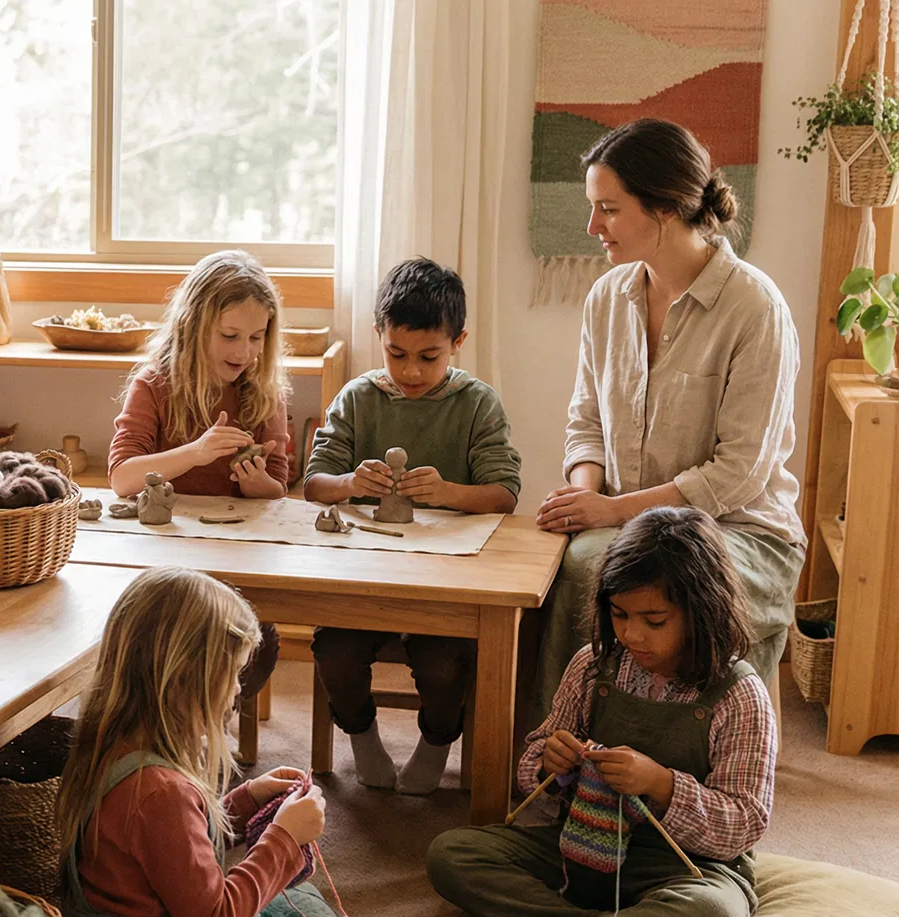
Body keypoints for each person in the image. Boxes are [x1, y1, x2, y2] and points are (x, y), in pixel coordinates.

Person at [55, 566, 422, 917]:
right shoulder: (158, 791)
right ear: (187, 680)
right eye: (232, 675)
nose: (235, 691)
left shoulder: (119, 748)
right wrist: (282, 839)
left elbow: (168, 854)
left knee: (293, 893)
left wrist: (246, 800)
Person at [425, 506, 772, 917]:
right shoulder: (592, 666)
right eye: (619, 614)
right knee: (450, 855)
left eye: (654, 620)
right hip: (581, 851)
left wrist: (660, 783)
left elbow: (744, 824)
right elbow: (532, 766)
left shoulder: (739, 695)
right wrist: (550, 762)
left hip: (685, 870)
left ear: (702, 610)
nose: (632, 635)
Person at [532, 118, 803, 722]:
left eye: (609, 209)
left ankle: (690, 763)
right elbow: (585, 423)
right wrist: (583, 502)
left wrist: (609, 513)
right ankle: (553, 752)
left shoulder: (755, 308)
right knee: (553, 566)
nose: (592, 227)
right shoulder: (607, 298)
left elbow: (738, 473)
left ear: (666, 208)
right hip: (628, 521)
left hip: (740, 531)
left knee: (600, 570)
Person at [303, 257, 521, 794]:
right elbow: (313, 484)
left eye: (429, 357)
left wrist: (448, 494)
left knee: (446, 664)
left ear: (458, 343)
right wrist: (350, 482)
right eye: (396, 354)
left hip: (446, 580)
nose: (412, 372)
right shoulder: (359, 397)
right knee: (335, 652)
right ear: (378, 335)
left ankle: (436, 741)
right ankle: (361, 734)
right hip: (365, 575)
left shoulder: (477, 403)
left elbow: (504, 494)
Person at [107, 250, 294, 720]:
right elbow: (122, 477)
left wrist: (256, 484)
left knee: (257, 645)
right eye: (230, 336)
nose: (244, 351)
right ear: (193, 326)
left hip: (233, 563)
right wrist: (195, 452)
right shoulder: (155, 383)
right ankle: (178, 734)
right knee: (169, 646)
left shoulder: (263, 392)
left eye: (257, 337)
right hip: (165, 565)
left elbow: (279, 490)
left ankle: (206, 731)